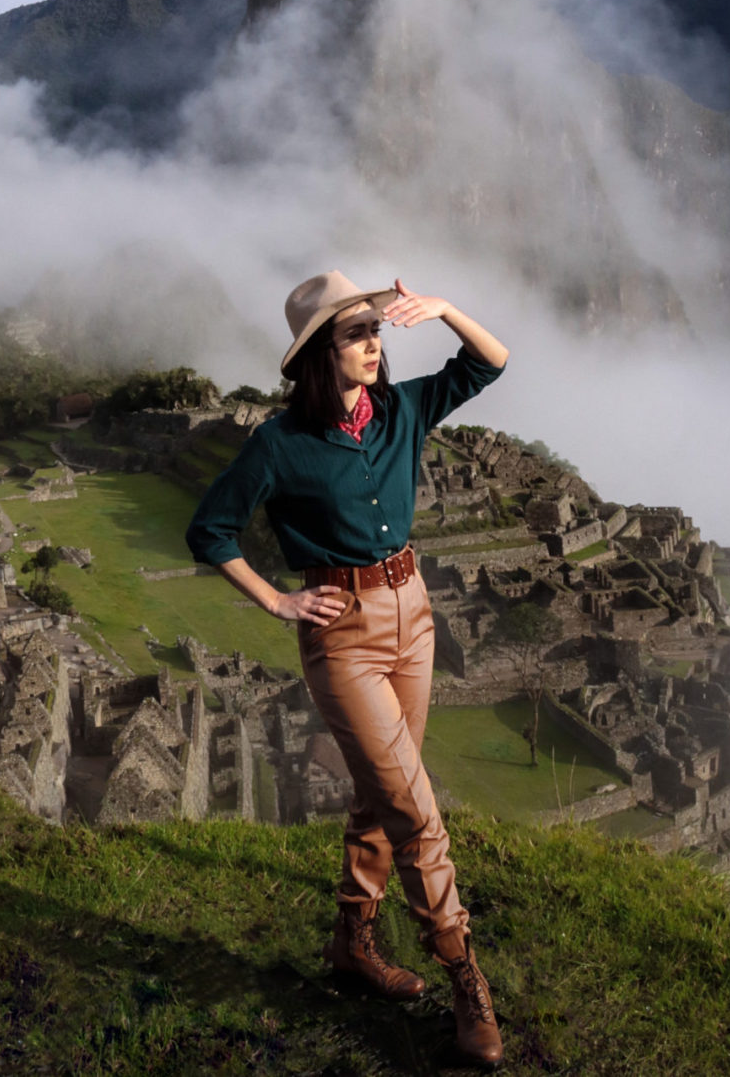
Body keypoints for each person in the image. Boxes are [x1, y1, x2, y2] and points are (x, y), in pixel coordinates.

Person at [185, 269, 508, 1068]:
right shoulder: (279, 443)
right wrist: (275, 601)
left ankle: (351, 943)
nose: (375, 344)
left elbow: (490, 363)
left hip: (415, 616)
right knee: (414, 807)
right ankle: (464, 970)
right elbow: (211, 530)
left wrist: (445, 309)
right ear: (319, 357)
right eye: (357, 334)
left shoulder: (401, 410)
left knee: (380, 788)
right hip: (344, 633)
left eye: (378, 330)